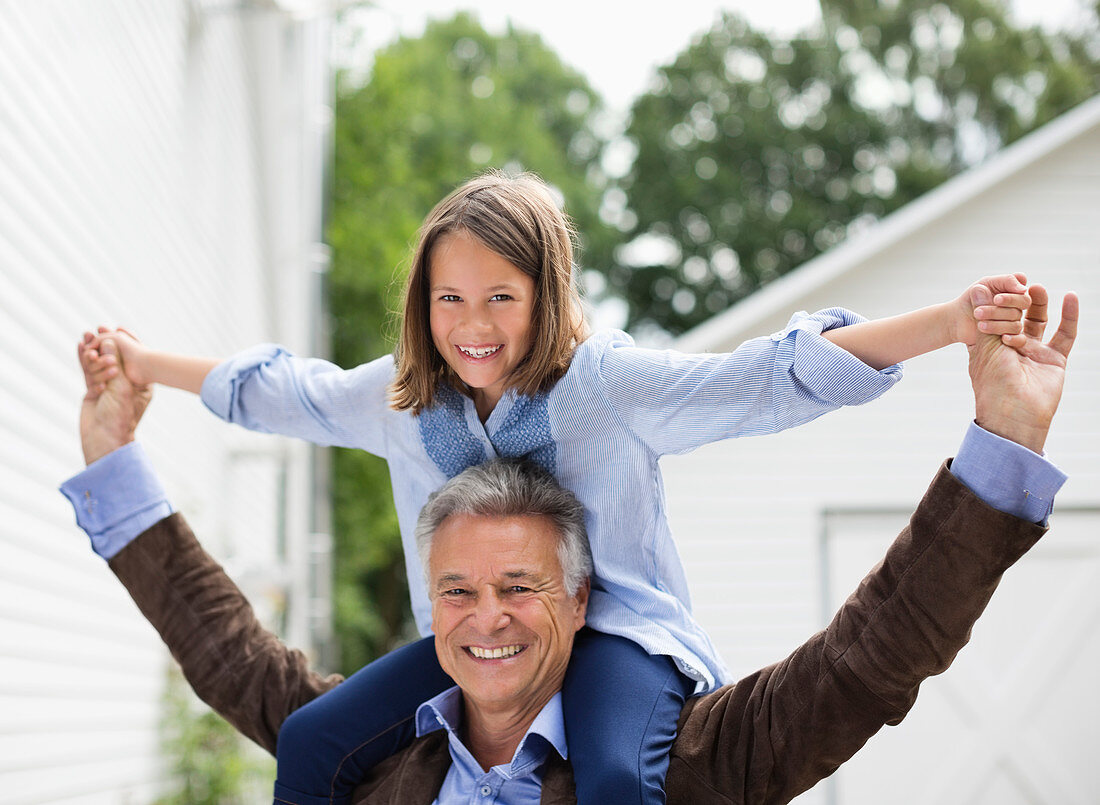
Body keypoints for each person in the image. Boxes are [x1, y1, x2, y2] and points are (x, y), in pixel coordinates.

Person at [80, 171, 1035, 805]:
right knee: (313, 739)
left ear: (548, 292)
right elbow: (279, 390)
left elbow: (762, 379)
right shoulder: (398, 400)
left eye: (501, 296)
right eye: (449, 299)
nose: (473, 325)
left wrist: (949, 323)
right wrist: (143, 363)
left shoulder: (604, 387)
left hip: (620, 639)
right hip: (478, 643)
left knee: (617, 779)